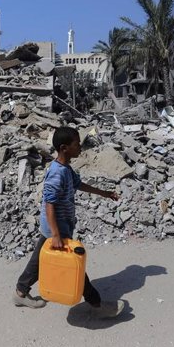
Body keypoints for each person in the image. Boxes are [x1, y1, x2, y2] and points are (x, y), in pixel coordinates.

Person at [13, 126, 125, 318]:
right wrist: (56, 234)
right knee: (76, 265)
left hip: (59, 225)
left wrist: (104, 193)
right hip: (56, 227)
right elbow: (49, 203)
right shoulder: (57, 173)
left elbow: (78, 184)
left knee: (39, 260)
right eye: (76, 144)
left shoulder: (66, 169)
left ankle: (20, 292)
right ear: (64, 148)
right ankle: (97, 305)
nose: (80, 147)